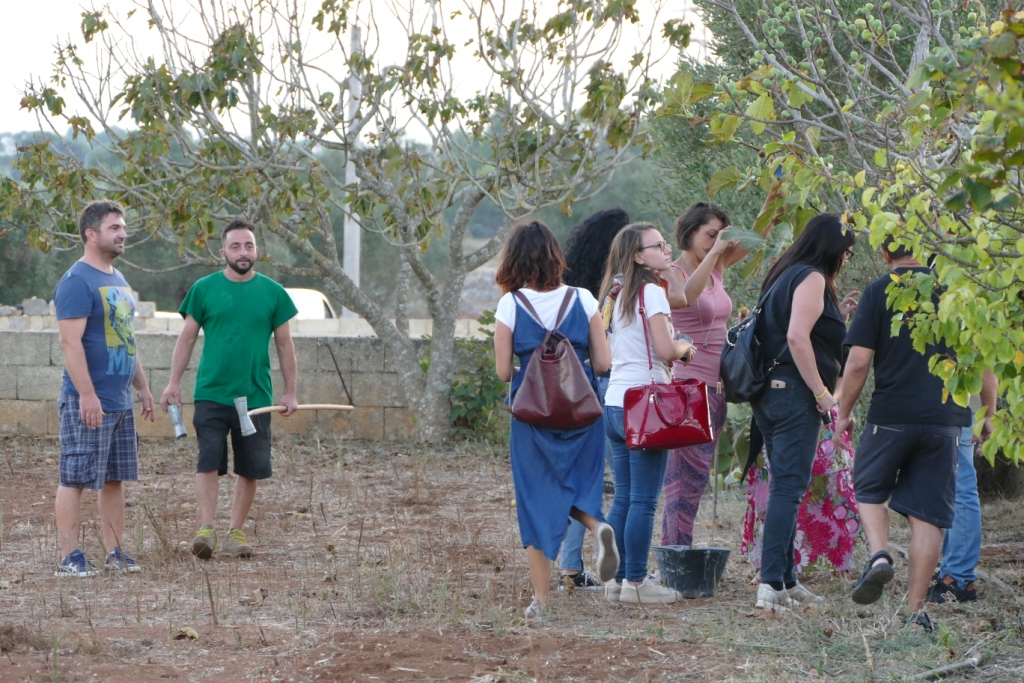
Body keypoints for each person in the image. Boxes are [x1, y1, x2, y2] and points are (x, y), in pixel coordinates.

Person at [835, 240, 974, 631]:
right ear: (924, 245)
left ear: (884, 253)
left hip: (892, 415)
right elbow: (981, 359)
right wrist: (990, 413)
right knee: (928, 515)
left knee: (868, 487)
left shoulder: (879, 290)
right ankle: (916, 612)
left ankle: (879, 554)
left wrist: (844, 414)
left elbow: (858, 364)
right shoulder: (953, 290)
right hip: (945, 419)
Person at [493, 221, 618, 620]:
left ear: (514, 260)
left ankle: (542, 602)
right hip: (583, 411)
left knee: (535, 498)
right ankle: (597, 526)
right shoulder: (584, 298)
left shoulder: (511, 304)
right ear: (555, 256)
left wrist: (531, 366)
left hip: (532, 416)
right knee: (579, 484)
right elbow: (603, 363)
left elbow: (502, 371)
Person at [160, 219, 299, 559]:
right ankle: (206, 530)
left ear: (257, 251)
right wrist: (173, 383)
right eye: (235, 246)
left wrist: (290, 391)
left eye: (248, 245)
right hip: (211, 393)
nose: (242, 252)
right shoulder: (204, 289)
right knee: (208, 459)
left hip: (256, 398)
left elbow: (285, 345)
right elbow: (187, 338)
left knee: (250, 467)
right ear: (223, 252)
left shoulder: (274, 293)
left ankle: (235, 533)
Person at [749, 213, 856, 612]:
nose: (846, 259)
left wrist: (837, 318)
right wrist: (822, 393)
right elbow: (796, 337)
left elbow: (796, 331)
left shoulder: (784, 273)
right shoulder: (811, 277)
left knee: (786, 485)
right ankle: (771, 583)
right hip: (794, 395)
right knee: (789, 488)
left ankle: (787, 579)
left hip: (770, 395)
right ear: (831, 247)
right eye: (846, 252)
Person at [53, 200, 156, 577]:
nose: (123, 233)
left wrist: (142, 387)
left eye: (123, 227)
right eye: (115, 228)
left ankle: (115, 552)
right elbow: (70, 343)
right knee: (75, 476)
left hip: (119, 401)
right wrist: (87, 394)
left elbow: (126, 338)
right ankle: (70, 557)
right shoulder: (77, 281)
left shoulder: (118, 279)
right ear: (91, 234)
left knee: (114, 479)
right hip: (88, 400)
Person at [600, 222, 693, 605]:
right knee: (643, 500)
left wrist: (668, 268)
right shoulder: (651, 293)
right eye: (657, 246)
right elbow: (666, 350)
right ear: (638, 256)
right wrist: (685, 345)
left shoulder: (614, 293)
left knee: (623, 496)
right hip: (645, 404)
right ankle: (637, 582)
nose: (666, 249)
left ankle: (616, 581)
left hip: (614, 401)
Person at [658, 202, 743, 548]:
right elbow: (685, 297)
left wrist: (773, 204)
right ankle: (677, 555)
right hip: (687, 387)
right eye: (710, 234)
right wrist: (717, 252)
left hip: (716, 389)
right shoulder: (672, 274)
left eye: (721, 235)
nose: (716, 242)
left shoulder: (716, 266)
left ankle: (675, 552)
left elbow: (754, 241)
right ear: (690, 232)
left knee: (695, 480)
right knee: (682, 480)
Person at [556, 207, 630, 590]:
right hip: (611, 383)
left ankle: (570, 565)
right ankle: (623, 568)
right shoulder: (619, 286)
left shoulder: (571, 285)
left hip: (574, 387)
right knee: (624, 482)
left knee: (580, 477)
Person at [741, 409, 861, 575]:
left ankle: (839, 562)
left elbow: (838, 391)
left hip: (814, 416)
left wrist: (834, 405)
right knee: (776, 488)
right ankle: (770, 567)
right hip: (782, 414)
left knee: (830, 487)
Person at [928, 374, 996, 604]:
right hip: (948, 409)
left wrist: (990, 414)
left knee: (960, 489)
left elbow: (987, 366)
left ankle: (959, 580)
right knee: (952, 490)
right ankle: (951, 571)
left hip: (960, 409)